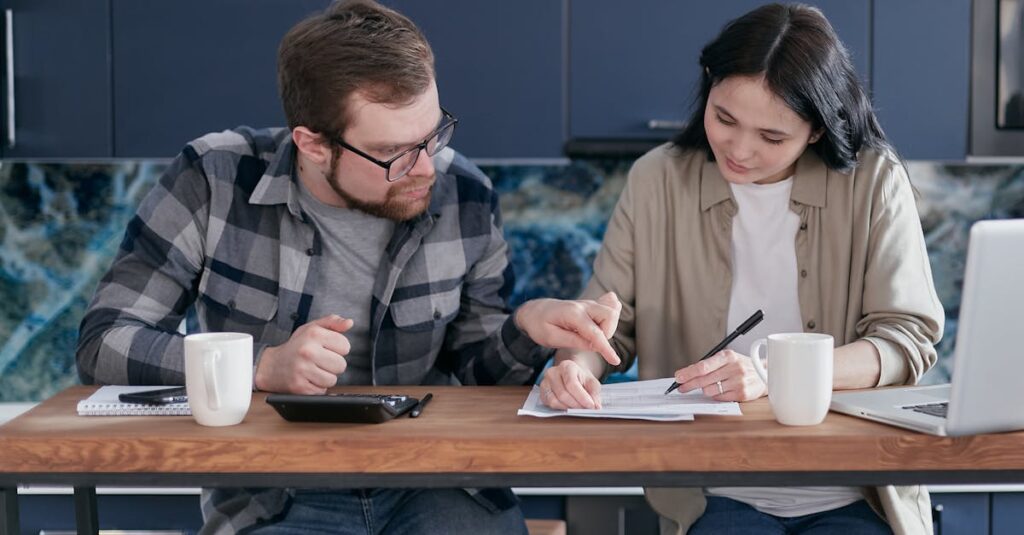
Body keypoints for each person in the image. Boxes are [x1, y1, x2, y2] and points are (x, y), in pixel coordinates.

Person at [75, 1, 621, 533]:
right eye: (395, 153)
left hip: (437, 478)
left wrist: (527, 325)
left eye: (433, 135)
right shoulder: (213, 179)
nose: (427, 168)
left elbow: (481, 375)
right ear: (313, 145)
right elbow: (104, 343)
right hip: (274, 492)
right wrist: (261, 368)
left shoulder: (466, 195)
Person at [539, 4, 943, 535]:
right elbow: (608, 325)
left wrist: (776, 375)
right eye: (724, 119)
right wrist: (575, 367)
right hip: (715, 491)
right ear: (709, 84)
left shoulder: (874, 182)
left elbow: (905, 341)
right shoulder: (657, 179)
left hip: (855, 486)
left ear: (816, 131)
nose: (740, 150)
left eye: (772, 138)